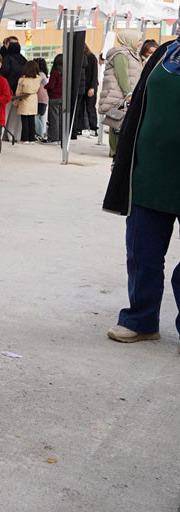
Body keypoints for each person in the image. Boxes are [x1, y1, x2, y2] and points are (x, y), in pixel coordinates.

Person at [104, 38, 180, 344]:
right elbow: (139, 107)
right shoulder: (167, 51)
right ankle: (141, 319)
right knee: (142, 251)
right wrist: (124, 157)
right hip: (150, 171)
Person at [98, 29, 143, 157]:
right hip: (119, 94)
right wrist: (128, 93)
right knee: (117, 121)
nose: (140, 43)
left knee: (122, 122)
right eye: (139, 40)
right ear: (130, 39)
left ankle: (120, 151)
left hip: (126, 94)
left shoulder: (132, 54)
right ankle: (115, 151)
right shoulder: (121, 54)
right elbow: (122, 75)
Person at [0, 36, 27, 143]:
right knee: (15, 116)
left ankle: (0, 135)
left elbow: (4, 73)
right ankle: (14, 136)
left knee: (4, 113)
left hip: (8, 90)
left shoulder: (7, 59)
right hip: (20, 92)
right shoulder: (23, 59)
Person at [14, 61, 43, 143]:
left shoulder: (22, 79)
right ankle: (31, 138)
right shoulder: (39, 79)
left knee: (24, 120)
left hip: (24, 99)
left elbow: (18, 92)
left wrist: (16, 102)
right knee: (32, 119)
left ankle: (25, 138)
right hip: (34, 98)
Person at [43, 55, 65, 145]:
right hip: (63, 97)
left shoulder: (55, 72)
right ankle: (60, 137)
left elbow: (51, 85)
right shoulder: (66, 72)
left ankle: (53, 138)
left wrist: (45, 86)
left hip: (54, 97)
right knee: (61, 118)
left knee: (53, 118)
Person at [35, 58, 50, 142]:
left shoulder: (39, 75)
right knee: (40, 116)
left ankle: (40, 133)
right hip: (44, 98)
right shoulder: (44, 75)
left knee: (36, 116)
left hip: (39, 98)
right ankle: (41, 133)